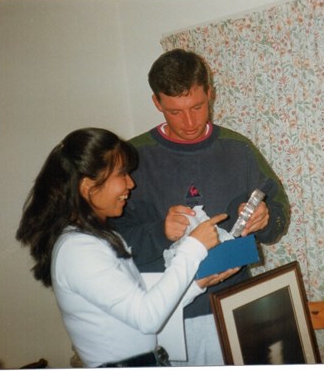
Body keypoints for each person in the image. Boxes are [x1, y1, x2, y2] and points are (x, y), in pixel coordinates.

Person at [111, 48, 290, 365]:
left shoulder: (239, 149)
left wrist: (267, 217)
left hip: (235, 307)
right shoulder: (131, 158)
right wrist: (158, 231)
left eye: (198, 106)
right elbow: (109, 243)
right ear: (157, 103)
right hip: (169, 315)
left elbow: (278, 214)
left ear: (211, 93)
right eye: (175, 112)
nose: (190, 122)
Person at [15, 128, 238, 368]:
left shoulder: (100, 237)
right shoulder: (77, 251)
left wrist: (195, 286)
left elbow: (138, 308)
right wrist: (193, 246)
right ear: (87, 186)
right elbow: (147, 318)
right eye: (122, 174)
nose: (130, 184)